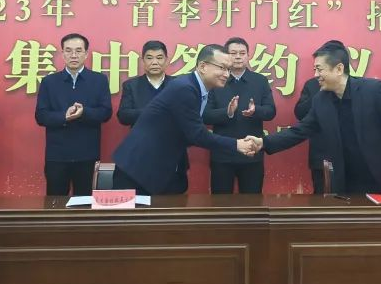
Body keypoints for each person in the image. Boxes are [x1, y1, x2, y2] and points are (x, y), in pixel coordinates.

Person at [250, 43, 381, 195]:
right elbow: (300, 131)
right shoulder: (320, 100)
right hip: (347, 182)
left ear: (338, 69)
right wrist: (264, 143)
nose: (316, 75)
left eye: (319, 69)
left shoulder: (374, 90)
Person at [112, 44, 258, 194]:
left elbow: (187, 132)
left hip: (157, 168)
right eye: (222, 68)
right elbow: (196, 134)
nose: (226, 74)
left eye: (228, 69)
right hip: (138, 170)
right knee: (134, 211)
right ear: (203, 66)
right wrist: (236, 144)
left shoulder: (195, 88)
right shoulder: (185, 89)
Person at [34, 33, 112, 197]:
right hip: (57, 156)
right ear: (62, 54)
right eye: (68, 51)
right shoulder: (49, 82)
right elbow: (41, 116)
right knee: (55, 203)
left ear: (86, 54)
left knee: (85, 203)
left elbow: (106, 113)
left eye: (78, 50)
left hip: (87, 155)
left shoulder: (99, 80)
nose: (73, 55)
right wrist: (64, 116)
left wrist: (84, 113)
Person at [203, 37, 277, 194]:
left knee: (252, 202)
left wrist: (256, 111)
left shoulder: (260, 81)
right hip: (222, 154)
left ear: (248, 56)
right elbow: (205, 116)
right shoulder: (215, 80)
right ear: (226, 56)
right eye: (233, 53)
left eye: (242, 53)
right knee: (220, 202)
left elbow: (271, 111)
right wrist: (227, 112)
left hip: (251, 153)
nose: (238, 57)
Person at [116, 39, 189, 192]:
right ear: (143, 61)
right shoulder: (131, 86)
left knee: (171, 202)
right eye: (149, 58)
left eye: (159, 57)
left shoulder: (180, 85)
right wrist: (154, 111)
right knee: (139, 201)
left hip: (172, 156)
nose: (154, 62)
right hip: (140, 156)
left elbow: (187, 116)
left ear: (167, 60)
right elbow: (123, 115)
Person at [294, 39, 345, 194]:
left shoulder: (355, 86)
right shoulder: (313, 84)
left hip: (348, 157)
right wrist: (319, 93)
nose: (317, 74)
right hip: (321, 155)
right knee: (322, 197)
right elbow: (300, 113)